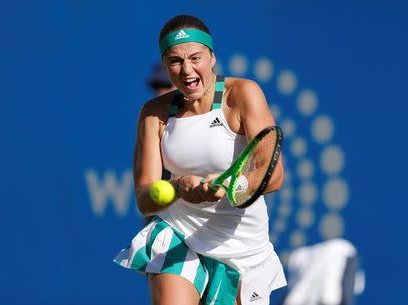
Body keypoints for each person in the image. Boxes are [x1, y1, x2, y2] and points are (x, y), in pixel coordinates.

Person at [114, 15, 286, 305]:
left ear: (212, 58)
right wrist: (180, 187)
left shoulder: (243, 94)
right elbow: (144, 198)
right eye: (175, 61)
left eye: (196, 58)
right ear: (166, 66)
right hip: (179, 231)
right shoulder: (153, 113)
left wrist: (230, 186)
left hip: (242, 250)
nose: (187, 70)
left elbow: (274, 174)